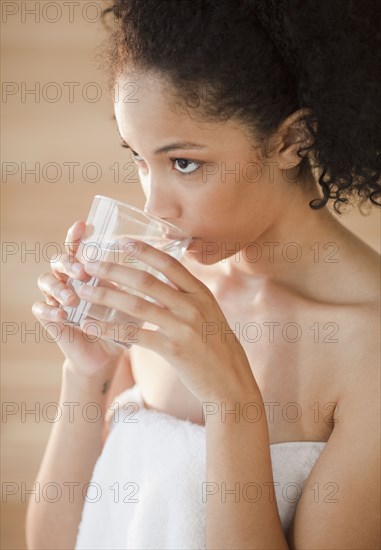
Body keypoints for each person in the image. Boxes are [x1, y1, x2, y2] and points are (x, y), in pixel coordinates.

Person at [26, 1, 380, 548]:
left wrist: (232, 403)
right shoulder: (163, 295)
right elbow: (54, 542)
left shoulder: (369, 349)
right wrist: (87, 374)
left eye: (184, 164)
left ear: (293, 140)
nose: (155, 207)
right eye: (139, 158)